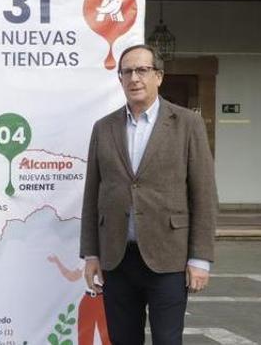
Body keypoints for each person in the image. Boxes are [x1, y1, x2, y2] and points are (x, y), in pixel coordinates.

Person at [79, 44, 218, 345]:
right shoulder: (104, 128)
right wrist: (91, 254)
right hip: (117, 259)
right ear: (119, 79)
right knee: (122, 339)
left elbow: (204, 194)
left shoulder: (187, 124)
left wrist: (200, 258)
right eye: (127, 71)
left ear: (159, 76)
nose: (134, 78)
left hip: (168, 257)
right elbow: (93, 195)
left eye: (142, 70)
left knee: (168, 340)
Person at [47, 254, 110, 345]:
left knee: (109, 338)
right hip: (88, 301)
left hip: (104, 301)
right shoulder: (86, 258)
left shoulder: (110, 256)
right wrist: (57, 262)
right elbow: (72, 276)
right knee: (84, 339)